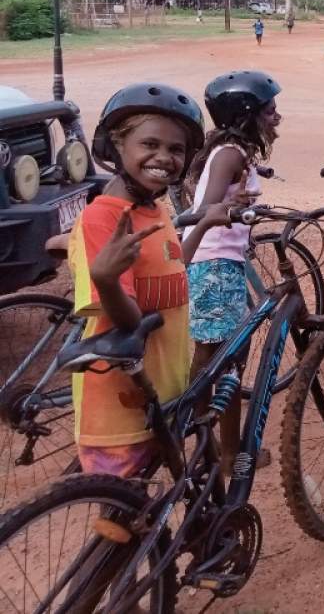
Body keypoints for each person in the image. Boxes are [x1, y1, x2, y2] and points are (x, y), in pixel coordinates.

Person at [69, 84, 231, 478]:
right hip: (118, 409)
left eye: (176, 150)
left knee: (155, 511)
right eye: (150, 144)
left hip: (162, 392)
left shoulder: (155, 207)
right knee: (124, 525)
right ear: (117, 147)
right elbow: (125, 321)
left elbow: (174, 266)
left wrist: (203, 226)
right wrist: (106, 280)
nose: (164, 157)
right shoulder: (106, 217)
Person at [184, 70, 282, 477]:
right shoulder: (230, 154)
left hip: (218, 260)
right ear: (247, 116)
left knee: (212, 355)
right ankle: (227, 456)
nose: (277, 118)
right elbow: (205, 208)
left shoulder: (231, 151)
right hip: (214, 265)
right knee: (225, 361)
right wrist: (233, 205)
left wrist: (244, 212)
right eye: (270, 111)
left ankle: (197, 434)